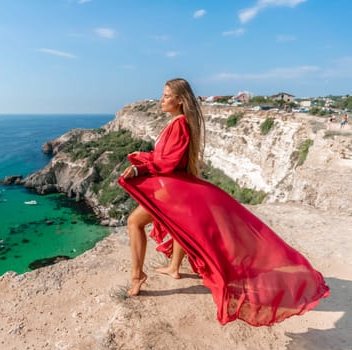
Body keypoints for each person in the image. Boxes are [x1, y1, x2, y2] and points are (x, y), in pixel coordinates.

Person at [118, 78, 330, 326]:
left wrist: (140, 169)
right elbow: (164, 158)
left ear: (180, 100)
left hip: (173, 189)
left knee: (134, 222)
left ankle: (136, 276)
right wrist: (143, 162)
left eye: (166, 95)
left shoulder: (179, 125)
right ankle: (174, 268)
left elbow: (167, 163)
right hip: (177, 188)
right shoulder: (177, 123)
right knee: (180, 226)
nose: (161, 99)